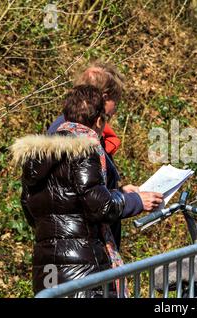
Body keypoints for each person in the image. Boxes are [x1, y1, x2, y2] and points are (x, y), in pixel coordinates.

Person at [11, 85, 163, 296]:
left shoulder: (37, 156)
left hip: (47, 266)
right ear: (99, 120)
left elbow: (31, 209)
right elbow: (99, 206)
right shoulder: (83, 150)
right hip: (83, 268)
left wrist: (115, 191)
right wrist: (135, 200)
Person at [47, 61, 141, 250]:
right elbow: (87, 202)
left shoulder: (75, 130)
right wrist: (134, 201)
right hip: (84, 249)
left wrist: (119, 191)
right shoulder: (74, 136)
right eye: (117, 101)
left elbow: (88, 188)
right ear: (105, 98)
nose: (115, 110)